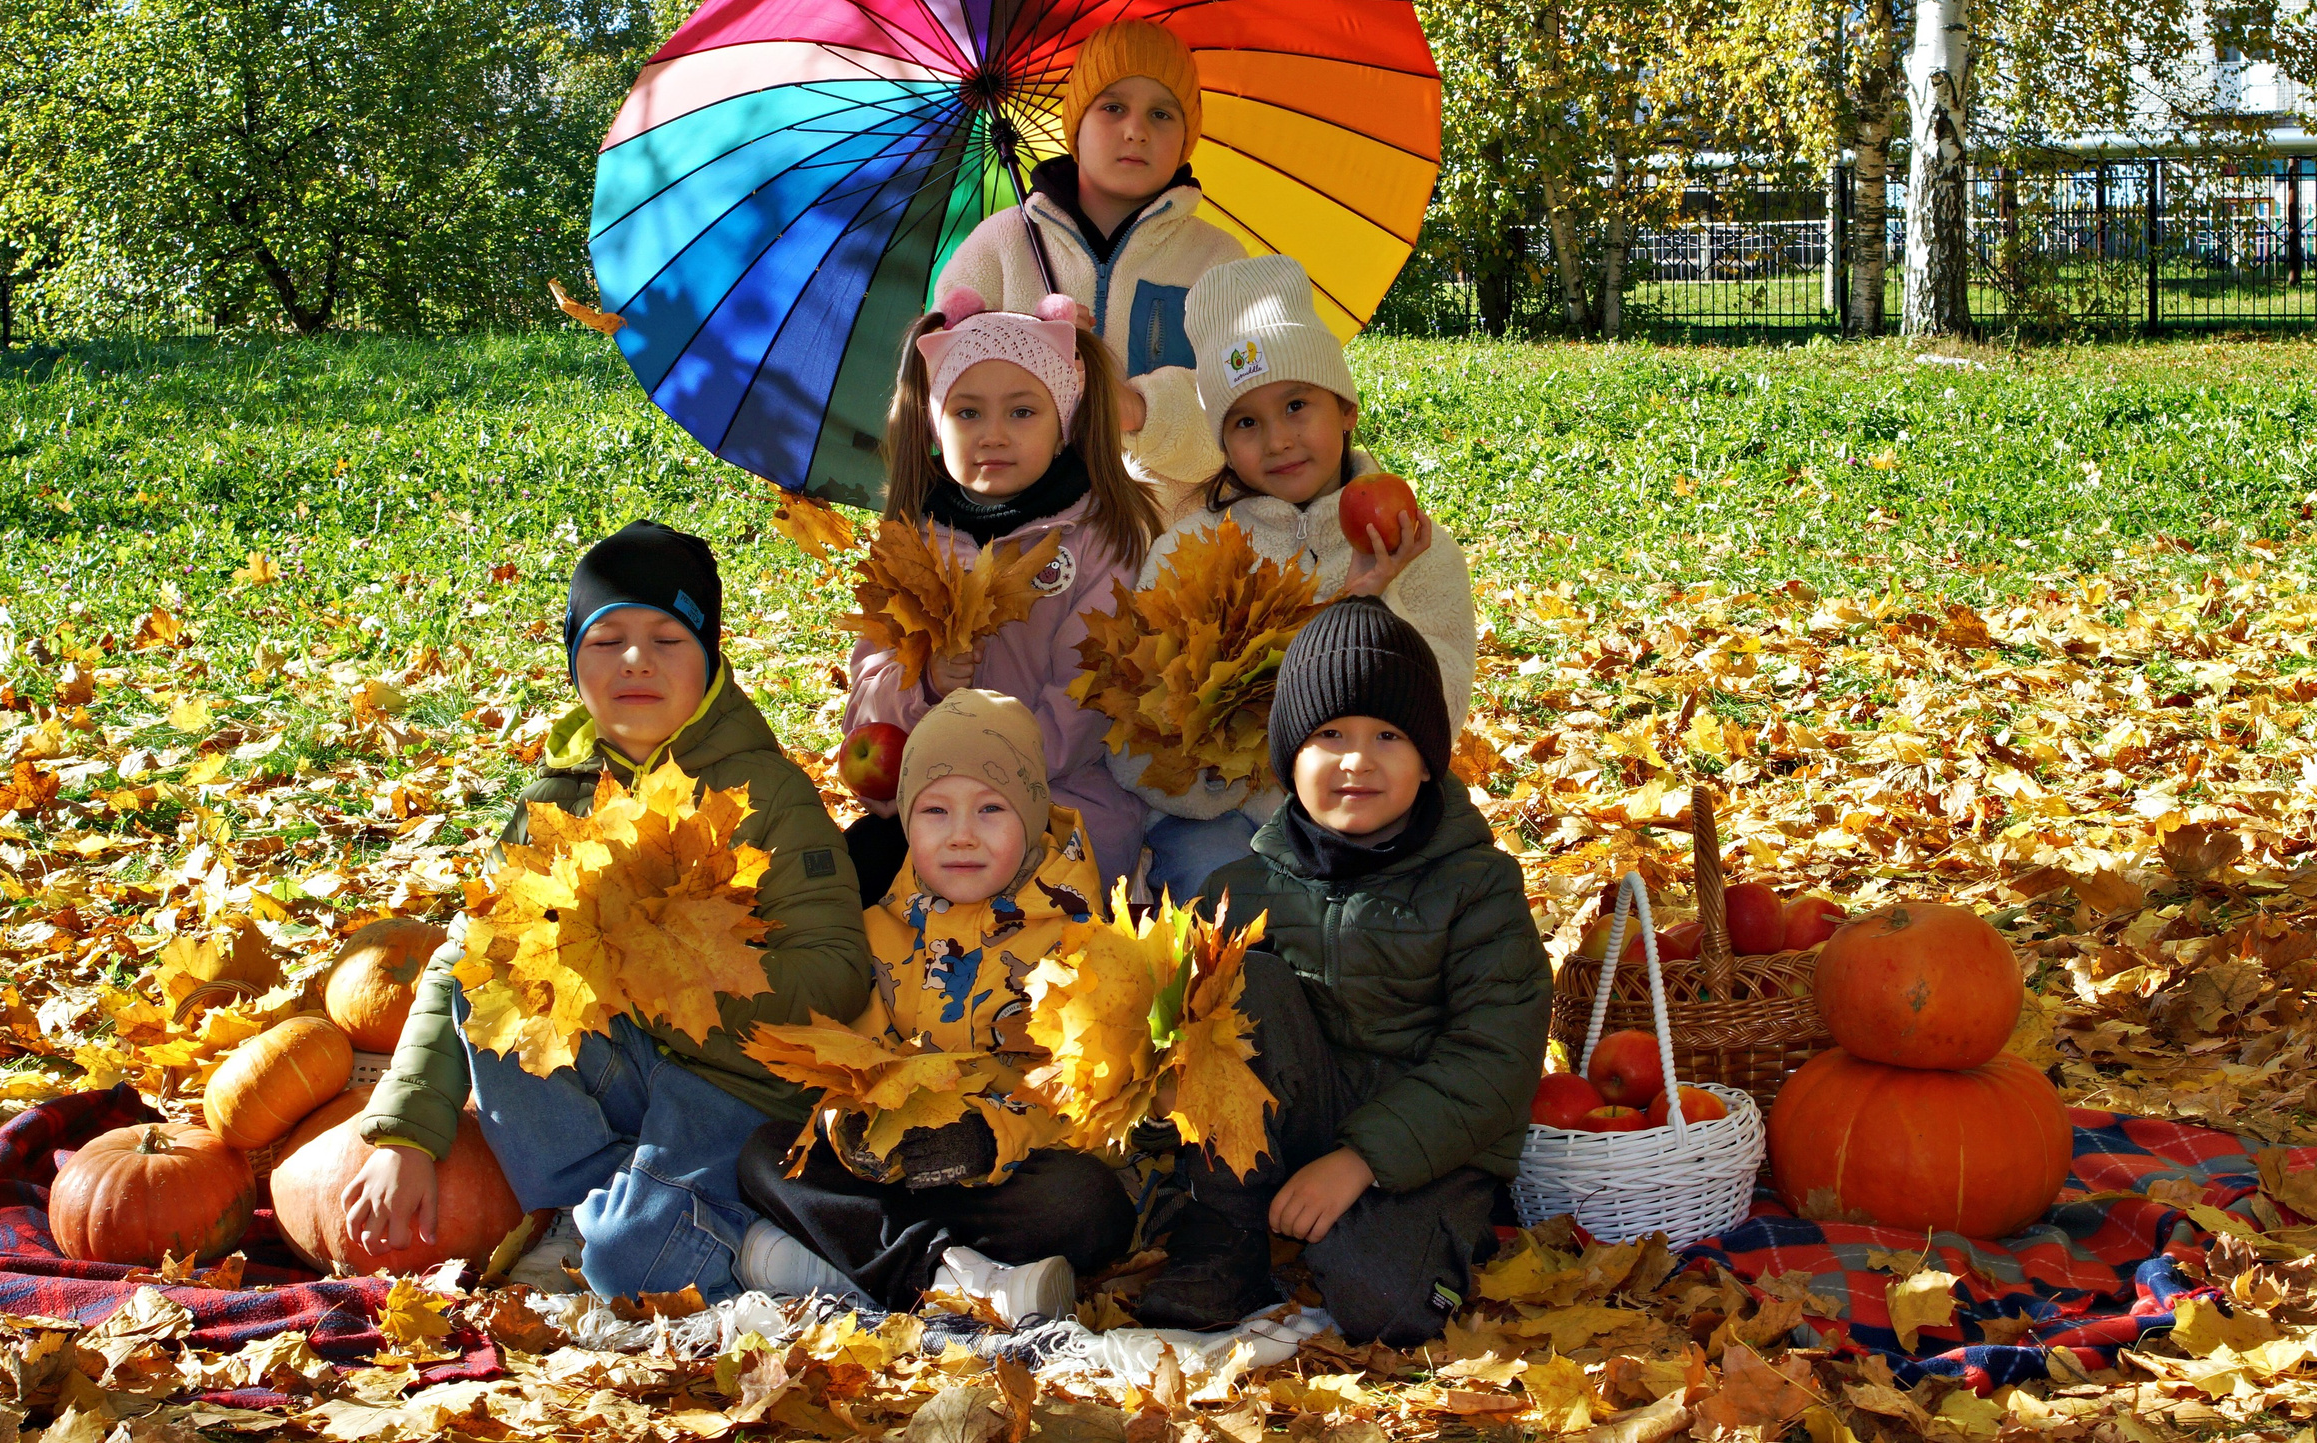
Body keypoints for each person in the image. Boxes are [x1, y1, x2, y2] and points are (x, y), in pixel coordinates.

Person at [343, 521, 870, 1300]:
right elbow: (465, 962)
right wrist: (406, 1133)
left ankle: (662, 1232)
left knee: (632, 1275)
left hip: (736, 1084)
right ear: (574, 662)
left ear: (711, 657)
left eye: (667, 635)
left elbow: (839, 974)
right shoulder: (555, 802)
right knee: (492, 969)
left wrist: (690, 972)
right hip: (619, 1070)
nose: (636, 659)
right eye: (606, 637)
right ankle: (599, 1207)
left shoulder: (767, 795)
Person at [1132, 597, 1549, 1346]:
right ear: (1290, 758)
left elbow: (1497, 1057)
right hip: (1296, 1114)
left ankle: (1418, 1238)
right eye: (1330, 735)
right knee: (1234, 983)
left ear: (1427, 761)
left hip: (1427, 1142)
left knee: (1383, 1306)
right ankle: (1227, 1233)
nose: (1357, 759)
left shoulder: (1477, 885)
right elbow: (1187, 1043)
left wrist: (1360, 1161)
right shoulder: (1239, 885)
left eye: (1388, 735)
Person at [736, 690, 1136, 1322]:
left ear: (1032, 814)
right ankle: (952, 1277)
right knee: (767, 1154)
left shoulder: (1080, 942)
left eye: (991, 809)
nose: (961, 837)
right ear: (908, 823)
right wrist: (848, 1123)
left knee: (1087, 1203)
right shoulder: (879, 929)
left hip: (1011, 1167)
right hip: (907, 1162)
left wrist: (986, 1139)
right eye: (935, 812)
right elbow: (853, 1060)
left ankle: (853, 1262)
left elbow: (1089, 1101)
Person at [1116, 254, 1475, 902]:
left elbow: (1437, 721)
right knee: (1227, 894)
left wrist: (1373, 603)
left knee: (1447, 888)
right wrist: (1238, 770)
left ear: (1346, 409)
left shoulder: (1416, 549)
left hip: (1371, 819)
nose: (1278, 439)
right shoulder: (1187, 553)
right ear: (1222, 443)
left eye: (1297, 404)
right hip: (1220, 828)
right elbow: (1134, 743)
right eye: (1247, 421)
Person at [841, 291, 1159, 898]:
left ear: (1063, 425)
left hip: (1059, 811)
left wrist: (982, 792)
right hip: (927, 811)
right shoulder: (911, 543)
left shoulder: (1098, 541)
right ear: (935, 425)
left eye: (1022, 413)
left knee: (1037, 947)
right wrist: (928, 681)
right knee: (851, 890)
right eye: (966, 413)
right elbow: (867, 708)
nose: (993, 435)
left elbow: (1081, 705)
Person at [934, 18, 1248, 514]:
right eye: (1113, 107)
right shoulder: (999, 244)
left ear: (1188, 137)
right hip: (1027, 544)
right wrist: (1023, 344)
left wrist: (1135, 410)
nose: (1136, 130)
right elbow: (947, 390)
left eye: (1162, 114)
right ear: (1076, 125)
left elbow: (1245, 412)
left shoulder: (1218, 262)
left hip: (1173, 549)